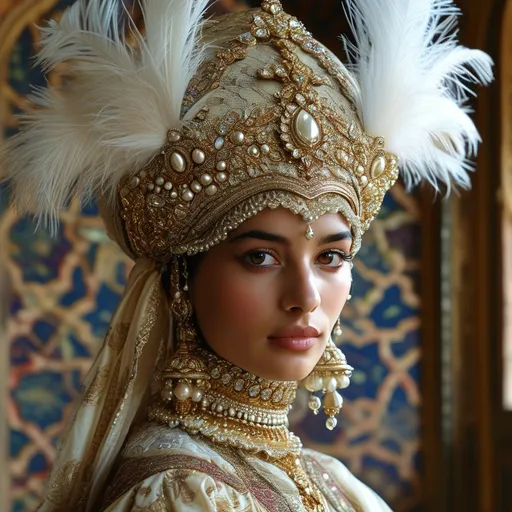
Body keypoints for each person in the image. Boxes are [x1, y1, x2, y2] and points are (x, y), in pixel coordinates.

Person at [2, 0, 493, 510]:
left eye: (330, 257)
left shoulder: (334, 483)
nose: (305, 298)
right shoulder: (177, 492)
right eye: (261, 257)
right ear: (181, 280)